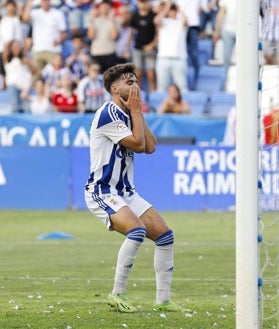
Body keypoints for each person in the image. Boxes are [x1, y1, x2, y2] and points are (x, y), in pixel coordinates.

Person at [84, 63, 184, 313]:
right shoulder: (107, 113)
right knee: (137, 231)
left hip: (126, 193)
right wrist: (136, 110)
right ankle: (117, 294)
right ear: (114, 88)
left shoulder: (129, 113)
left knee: (165, 235)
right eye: (129, 82)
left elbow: (151, 147)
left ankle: (163, 299)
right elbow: (139, 145)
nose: (135, 85)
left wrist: (136, 112)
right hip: (103, 191)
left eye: (136, 81)